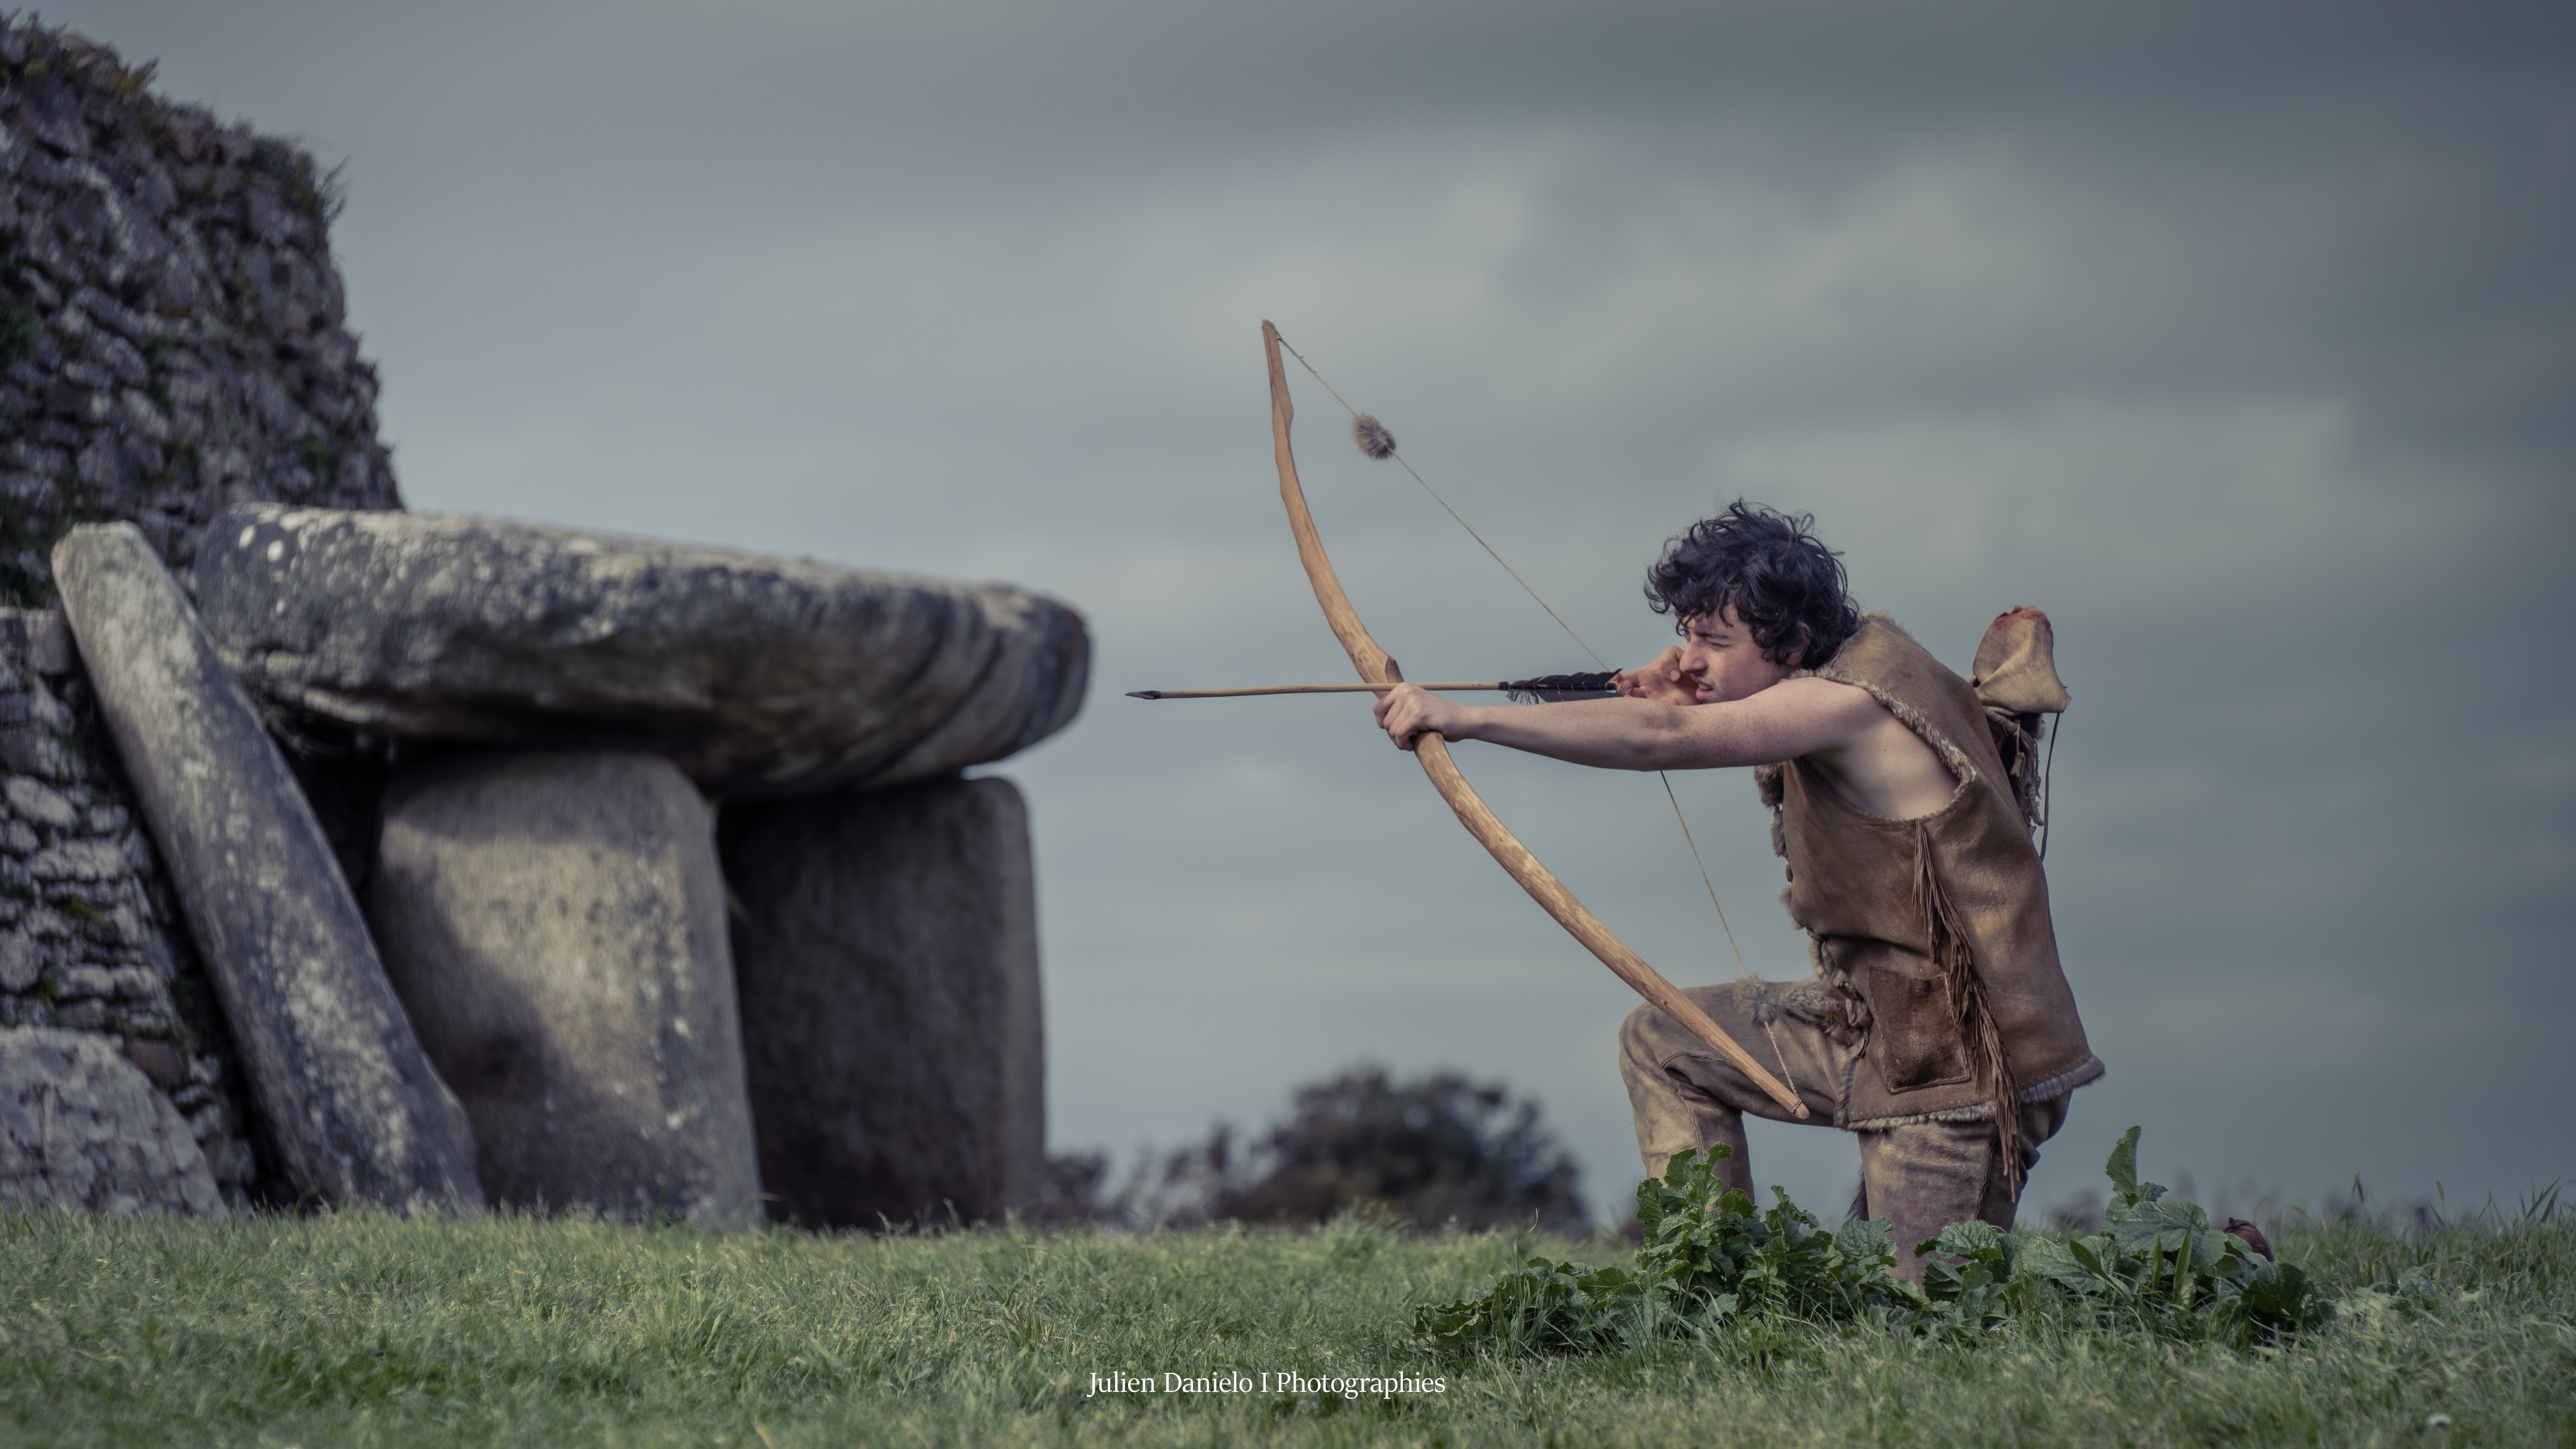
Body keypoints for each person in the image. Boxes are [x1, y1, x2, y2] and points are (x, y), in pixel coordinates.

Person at [1371, 501, 2100, 1279]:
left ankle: (2226, 1266)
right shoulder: (1848, 665)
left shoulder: (1850, 703)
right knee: (1664, 1041)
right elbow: (1691, 713)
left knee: (1924, 1330)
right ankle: (1707, 1287)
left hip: (1960, 1067)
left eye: (1714, 641)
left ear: (1790, 642)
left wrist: (1461, 719)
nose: (1690, 659)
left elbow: (1663, 738)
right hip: (1876, 1024)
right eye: (1689, 634)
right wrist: (1693, 682)